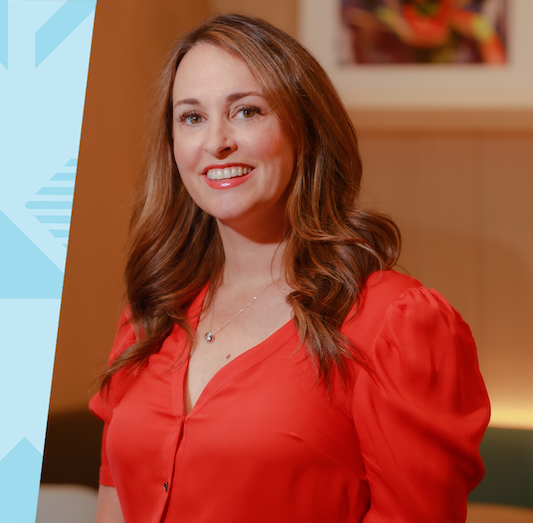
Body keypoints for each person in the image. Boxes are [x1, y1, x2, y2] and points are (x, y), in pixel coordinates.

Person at [89, 13, 490, 523]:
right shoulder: (149, 314)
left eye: (247, 111)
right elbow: (113, 504)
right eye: (191, 117)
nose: (217, 142)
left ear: (305, 129)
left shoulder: (395, 323)